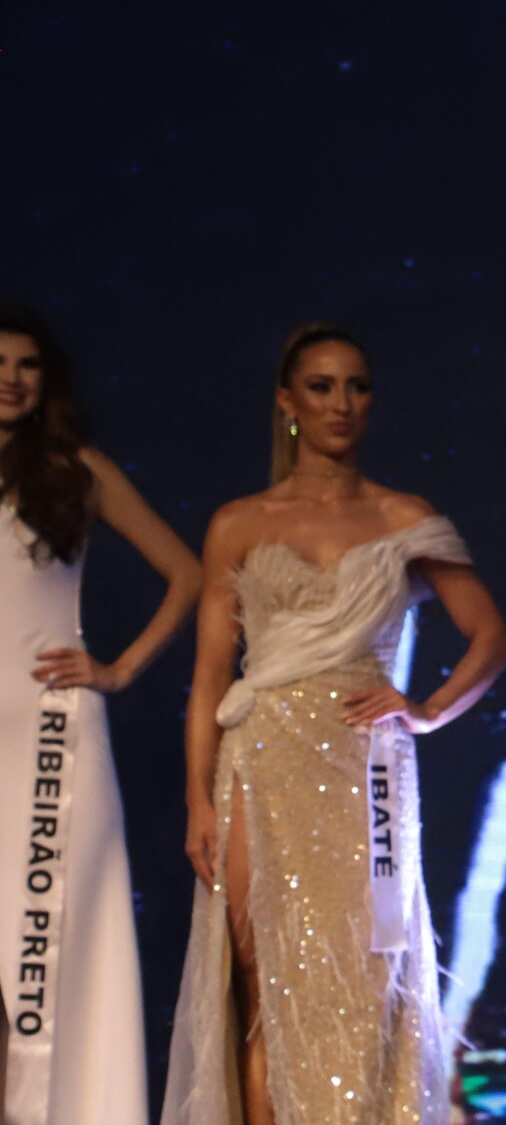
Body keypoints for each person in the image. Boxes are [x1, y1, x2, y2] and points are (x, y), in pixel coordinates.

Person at [163, 323, 506, 1125]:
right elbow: (210, 677)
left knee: (365, 982)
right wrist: (198, 801)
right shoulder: (239, 523)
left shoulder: (403, 515)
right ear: (288, 402)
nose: (341, 403)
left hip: (365, 770)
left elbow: (491, 638)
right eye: (321, 386)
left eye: (356, 386)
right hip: (261, 759)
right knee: (265, 988)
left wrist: (424, 711)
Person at [0, 304, 202, 1125]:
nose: (10, 378)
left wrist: (114, 669)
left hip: (50, 735)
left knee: (46, 953)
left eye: (27, 365)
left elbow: (187, 573)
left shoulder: (73, 469)